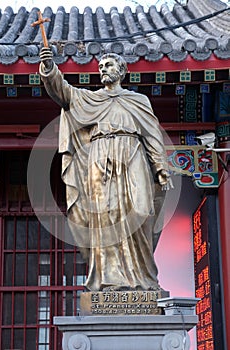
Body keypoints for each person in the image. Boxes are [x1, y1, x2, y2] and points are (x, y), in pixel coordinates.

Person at [39, 47, 173, 292]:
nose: (103, 69)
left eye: (108, 65)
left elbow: (152, 133)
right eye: (101, 66)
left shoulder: (138, 101)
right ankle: (110, 280)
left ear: (121, 71)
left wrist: (160, 166)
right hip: (100, 156)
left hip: (133, 152)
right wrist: (49, 69)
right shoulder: (90, 99)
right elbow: (63, 92)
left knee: (141, 209)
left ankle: (143, 279)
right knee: (104, 215)